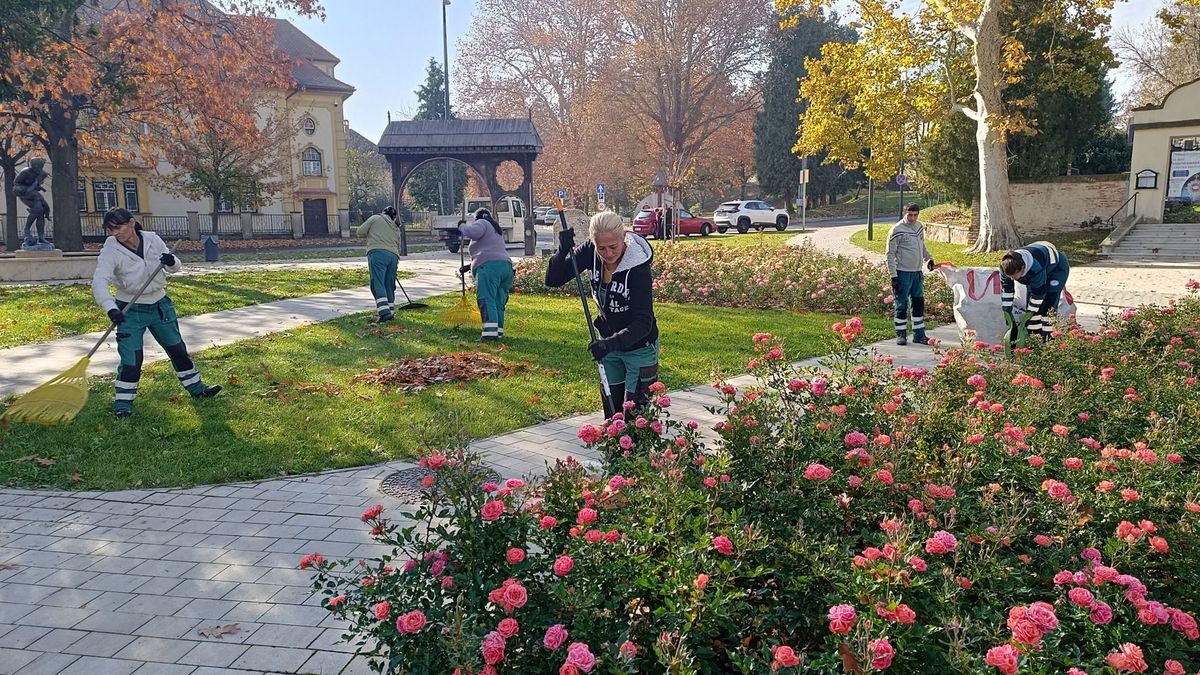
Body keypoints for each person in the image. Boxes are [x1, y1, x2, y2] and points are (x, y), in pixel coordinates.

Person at [92, 207, 220, 418]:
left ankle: (198, 389)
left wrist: (172, 263)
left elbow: (174, 266)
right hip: (129, 309)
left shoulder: (152, 240)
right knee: (132, 358)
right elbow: (99, 281)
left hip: (160, 305)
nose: (115, 233)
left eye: (119, 227)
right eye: (110, 229)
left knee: (177, 349)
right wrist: (110, 308)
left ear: (131, 223)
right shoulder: (110, 250)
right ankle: (123, 404)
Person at [546, 211, 659, 419]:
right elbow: (553, 279)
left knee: (635, 418)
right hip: (609, 346)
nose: (607, 253)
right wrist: (562, 252)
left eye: (613, 247)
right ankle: (614, 452)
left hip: (639, 347)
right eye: (602, 248)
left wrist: (608, 344)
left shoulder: (638, 268)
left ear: (623, 237)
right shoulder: (591, 251)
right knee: (613, 416)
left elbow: (643, 323)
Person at [459, 207, 514, 340]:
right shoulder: (496, 230)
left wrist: (461, 226)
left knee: (486, 299)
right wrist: (468, 266)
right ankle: (498, 332)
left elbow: (472, 232)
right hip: (506, 268)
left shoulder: (482, 223)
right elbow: (493, 252)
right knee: (498, 302)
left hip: (489, 269)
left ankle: (489, 334)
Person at [885, 203, 935, 345]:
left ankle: (919, 334)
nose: (913, 218)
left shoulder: (919, 226)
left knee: (918, 303)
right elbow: (890, 254)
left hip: (917, 273)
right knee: (901, 304)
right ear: (904, 213)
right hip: (902, 273)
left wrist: (929, 258)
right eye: (910, 215)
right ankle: (901, 334)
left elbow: (921, 245)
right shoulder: (896, 230)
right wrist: (893, 276)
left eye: (915, 215)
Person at [1000, 241, 1070, 341]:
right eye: (1009, 276)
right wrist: (1007, 311)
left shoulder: (1035, 268)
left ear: (1023, 268)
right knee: (1033, 311)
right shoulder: (1005, 267)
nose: (1012, 279)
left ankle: (1048, 340)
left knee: (1048, 307)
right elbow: (1006, 289)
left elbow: (1038, 294)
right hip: (1039, 263)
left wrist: (1029, 313)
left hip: (1056, 269)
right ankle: (1033, 340)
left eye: (1014, 276)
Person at [357, 205, 402, 322]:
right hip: (394, 256)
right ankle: (390, 310)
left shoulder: (375, 218)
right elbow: (398, 245)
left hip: (377, 254)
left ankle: (384, 312)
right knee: (389, 284)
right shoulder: (396, 227)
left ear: (383, 212)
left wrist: (370, 232)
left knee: (377, 283)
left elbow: (360, 232)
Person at [14, 158, 51, 247]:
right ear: (32, 166)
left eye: (40, 167)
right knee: (39, 207)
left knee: (41, 211)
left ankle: (41, 237)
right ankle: (27, 229)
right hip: (22, 192)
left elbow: (36, 186)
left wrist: (38, 187)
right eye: (35, 167)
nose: (38, 169)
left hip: (33, 193)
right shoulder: (25, 172)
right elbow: (16, 183)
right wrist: (29, 188)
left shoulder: (43, 174)